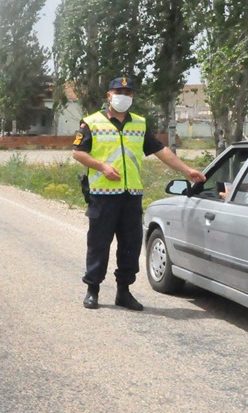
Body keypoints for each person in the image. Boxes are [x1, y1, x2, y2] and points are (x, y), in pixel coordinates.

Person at [72, 76, 206, 311]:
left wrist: (187, 170)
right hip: (103, 196)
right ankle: (92, 289)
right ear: (109, 95)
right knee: (99, 245)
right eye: (119, 91)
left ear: (133, 97)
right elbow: (78, 153)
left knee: (130, 246)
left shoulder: (140, 124)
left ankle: (124, 292)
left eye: (128, 92)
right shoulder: (91, 122)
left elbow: (161, 151)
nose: (124, 95)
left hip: (131, 196)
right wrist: (102, 166)